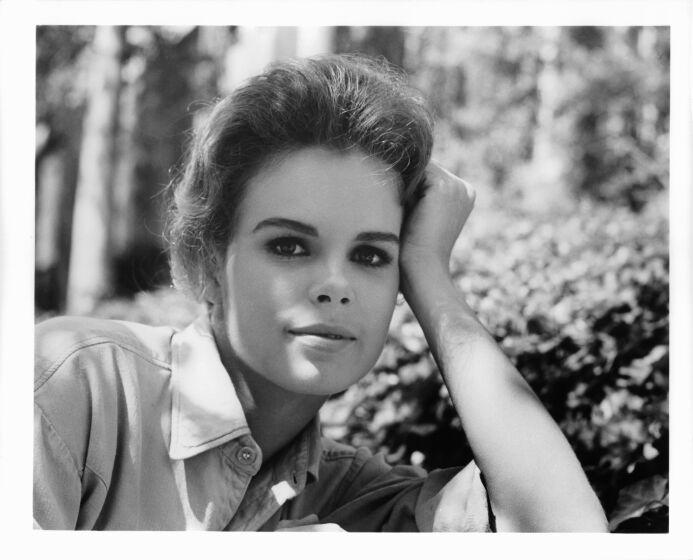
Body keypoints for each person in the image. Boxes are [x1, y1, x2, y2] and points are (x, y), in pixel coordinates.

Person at [33, 54, 608, 532]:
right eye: (288, 246)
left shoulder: (359, 498)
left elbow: (569, 535)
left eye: (371, 256)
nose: (336, 285)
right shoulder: (73, 383)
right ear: (208, 262)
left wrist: (429, 269)